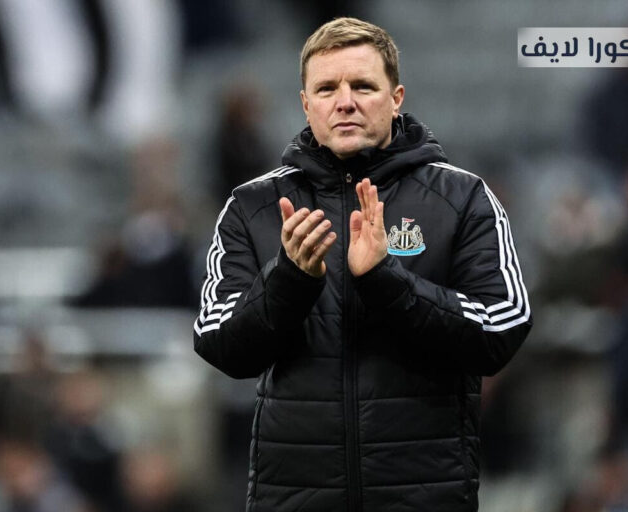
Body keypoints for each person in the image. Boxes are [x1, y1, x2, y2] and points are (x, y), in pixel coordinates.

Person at [193, 17, 532, 512]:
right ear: (306, 103)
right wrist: (289, 280)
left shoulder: (463, 197)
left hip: (424, 497)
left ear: (396, 98)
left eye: (363, 86)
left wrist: (385, 279)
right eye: (326, 88)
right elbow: (220, 345)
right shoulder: (254, 206)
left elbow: (502, 330)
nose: (345, 101)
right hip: (293, 499)